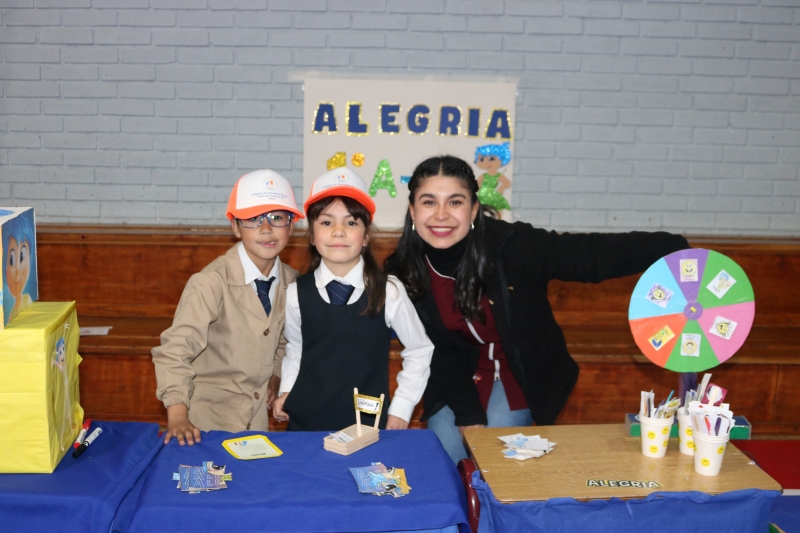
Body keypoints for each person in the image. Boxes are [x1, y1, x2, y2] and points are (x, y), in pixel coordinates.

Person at [384, 155, 689, 462]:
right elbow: (437, 350)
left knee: (491, 458)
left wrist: (669, 247)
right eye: (428, 202)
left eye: (454, 202)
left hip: (519, 371)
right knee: (443, 459)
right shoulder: (403, 272)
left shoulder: (513, 246)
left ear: (473, 209)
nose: (441, 215)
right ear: (412, 210)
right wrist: (467, 414)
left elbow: (589, 255)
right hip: (456, 375)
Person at [272, 168, 433, 431]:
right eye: (326, 222)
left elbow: (419, 350)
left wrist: (402, 410)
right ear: (312, 235)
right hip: (306, 420)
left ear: (366, 235)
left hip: (367, 422)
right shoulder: (296, 292)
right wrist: (288, 388)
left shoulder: (389, 290)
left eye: (351, 222)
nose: (338, 232)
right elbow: (296, 348)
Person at [152, 169, 304, 445]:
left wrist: (275, 376)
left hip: (256, 423)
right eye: (253, 219)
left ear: (291, 225)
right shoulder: (209, 283)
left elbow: (285, 341)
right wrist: (177, 415)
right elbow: (175, 350)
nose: (266, 228)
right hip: (204, 423)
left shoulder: (292, 283)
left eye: (277, 217)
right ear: (235, 227)